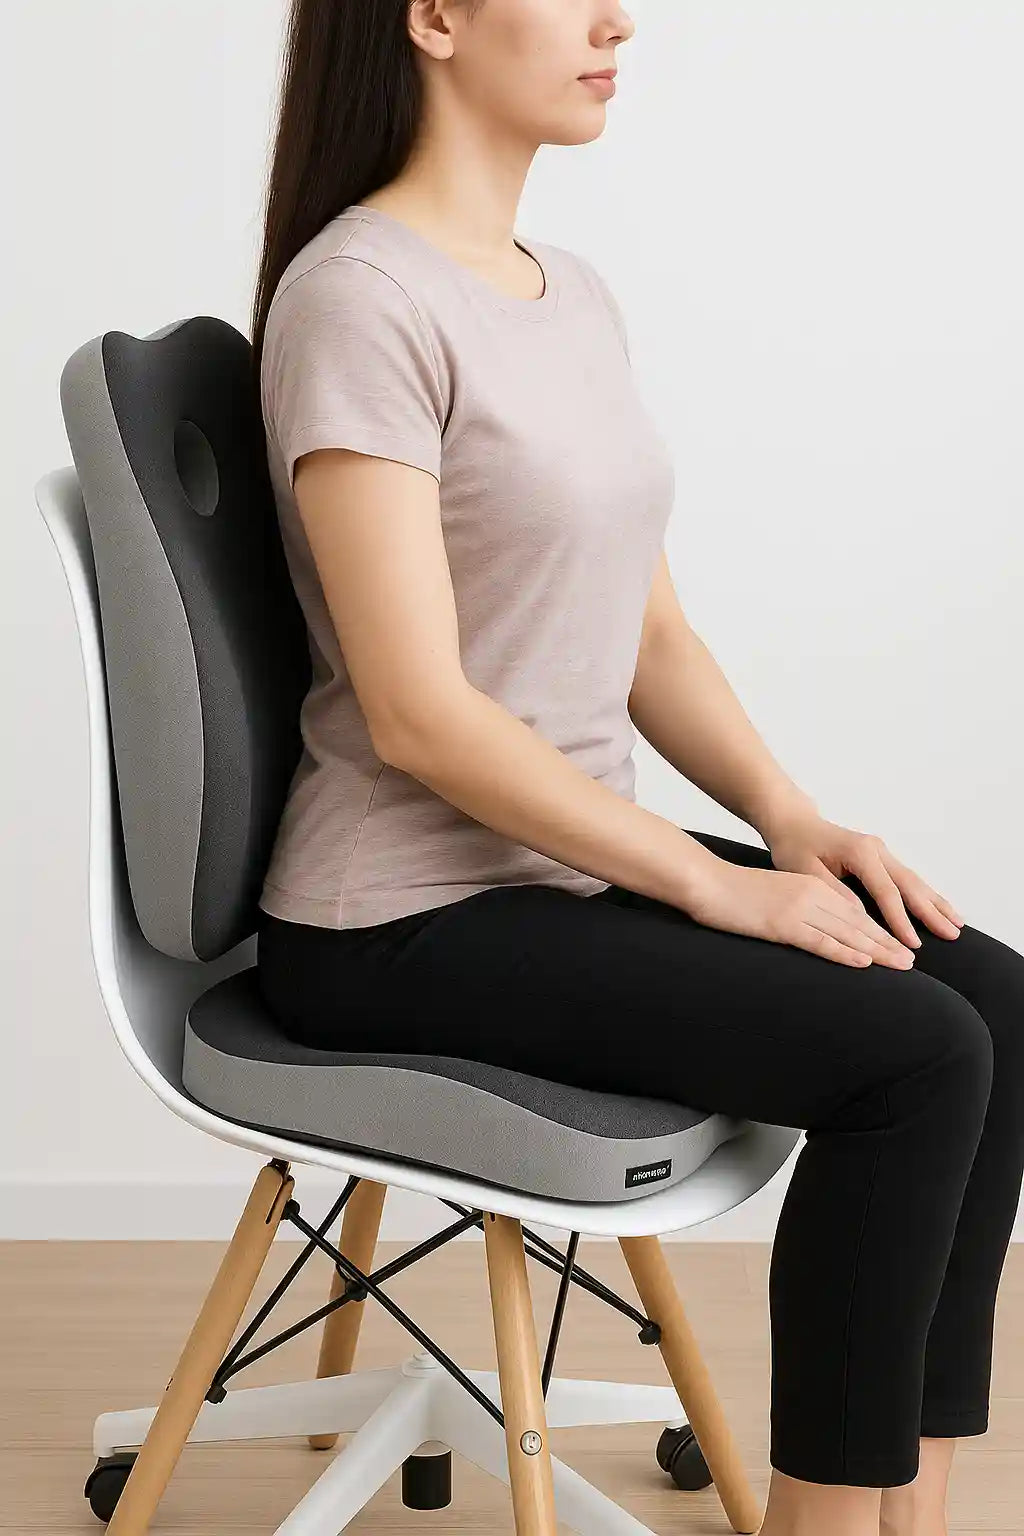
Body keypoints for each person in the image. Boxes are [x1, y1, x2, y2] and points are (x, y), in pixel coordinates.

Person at [248, 4, 1024, 1533]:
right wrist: (702, 888)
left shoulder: (569, 294)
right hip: (398, 916)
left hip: (560, 875)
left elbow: (651, 631)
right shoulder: (357, 300)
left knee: (991, 994)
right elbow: (416, 713)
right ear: (436, 20)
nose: (617, 19)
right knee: (911, 1057)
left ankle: (908, 1517)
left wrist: (792, 826)